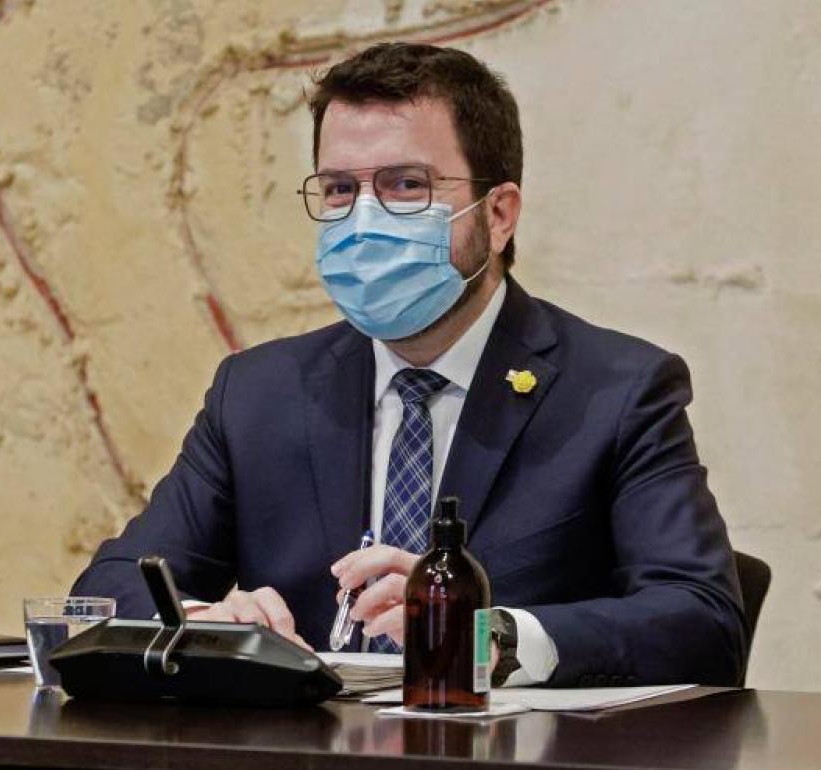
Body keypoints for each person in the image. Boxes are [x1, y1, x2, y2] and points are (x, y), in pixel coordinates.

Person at [72, 42, 747, 687]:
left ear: (499, 214)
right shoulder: (257, 393)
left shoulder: (616, 392)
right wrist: (202, 622)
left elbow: (702, 619)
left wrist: (489, 636)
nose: (365, 220)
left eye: (406, 185)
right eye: (340, 189)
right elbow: (111, 586)